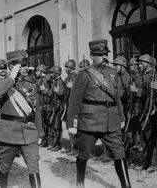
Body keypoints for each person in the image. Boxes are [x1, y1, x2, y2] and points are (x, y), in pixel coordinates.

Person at [67, 39, 131, 188]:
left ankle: (126, 186)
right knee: (84, 154)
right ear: (91, 55)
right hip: (90, 121)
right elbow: (75, 100)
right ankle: (80, 182)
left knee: (119, 153)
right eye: (99, 54)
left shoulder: (112, 73)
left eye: (104, 54)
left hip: (111, 120)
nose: (103, 57)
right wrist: (72, 123)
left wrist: (121, 117)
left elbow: (116, 98)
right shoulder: (84, 75)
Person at [0, 49, 44, 188]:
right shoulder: (4, 85)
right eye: (22, 66)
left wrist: (40, 132)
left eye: (27, 65)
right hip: (9, 133)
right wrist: (11, 78)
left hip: (29, 131)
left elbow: (37, 111)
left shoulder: (31, 86)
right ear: (11, 67)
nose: (26, 68)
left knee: (34, 167)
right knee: (4, 167)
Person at [130, 54, 157, 172]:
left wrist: (137, 91)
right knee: (143, 137)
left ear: (148, 64)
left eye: (142, 63)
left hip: (151, 110)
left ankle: (153, 163)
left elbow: (153, 94)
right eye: (139, 64)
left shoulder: (154, 76)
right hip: (142, 109)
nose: (139, 66)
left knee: (150, 137)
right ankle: (146, 162)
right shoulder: (141, 76)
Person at [46, 66, 66, 151]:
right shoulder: (55, 81)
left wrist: (57, 91)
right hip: (54, 105)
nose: (51, 74)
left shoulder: (60, 82)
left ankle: (58, 144)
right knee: (53, 124)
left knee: (57, 125)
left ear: (57, 73)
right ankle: (55, 143)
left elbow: (62, 92)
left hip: (58, 106)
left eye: (53, 72)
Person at [62, 59, 78, 156]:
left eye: (67, 67)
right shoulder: (69, 77)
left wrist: (72, 87)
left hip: (74, 105)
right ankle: (72, 146)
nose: (65, 69)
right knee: (69, 126)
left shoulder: (76, 77)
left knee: (74, 127)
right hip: (69, 105)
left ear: (71, 68)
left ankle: (76, 148)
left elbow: (79, 90)